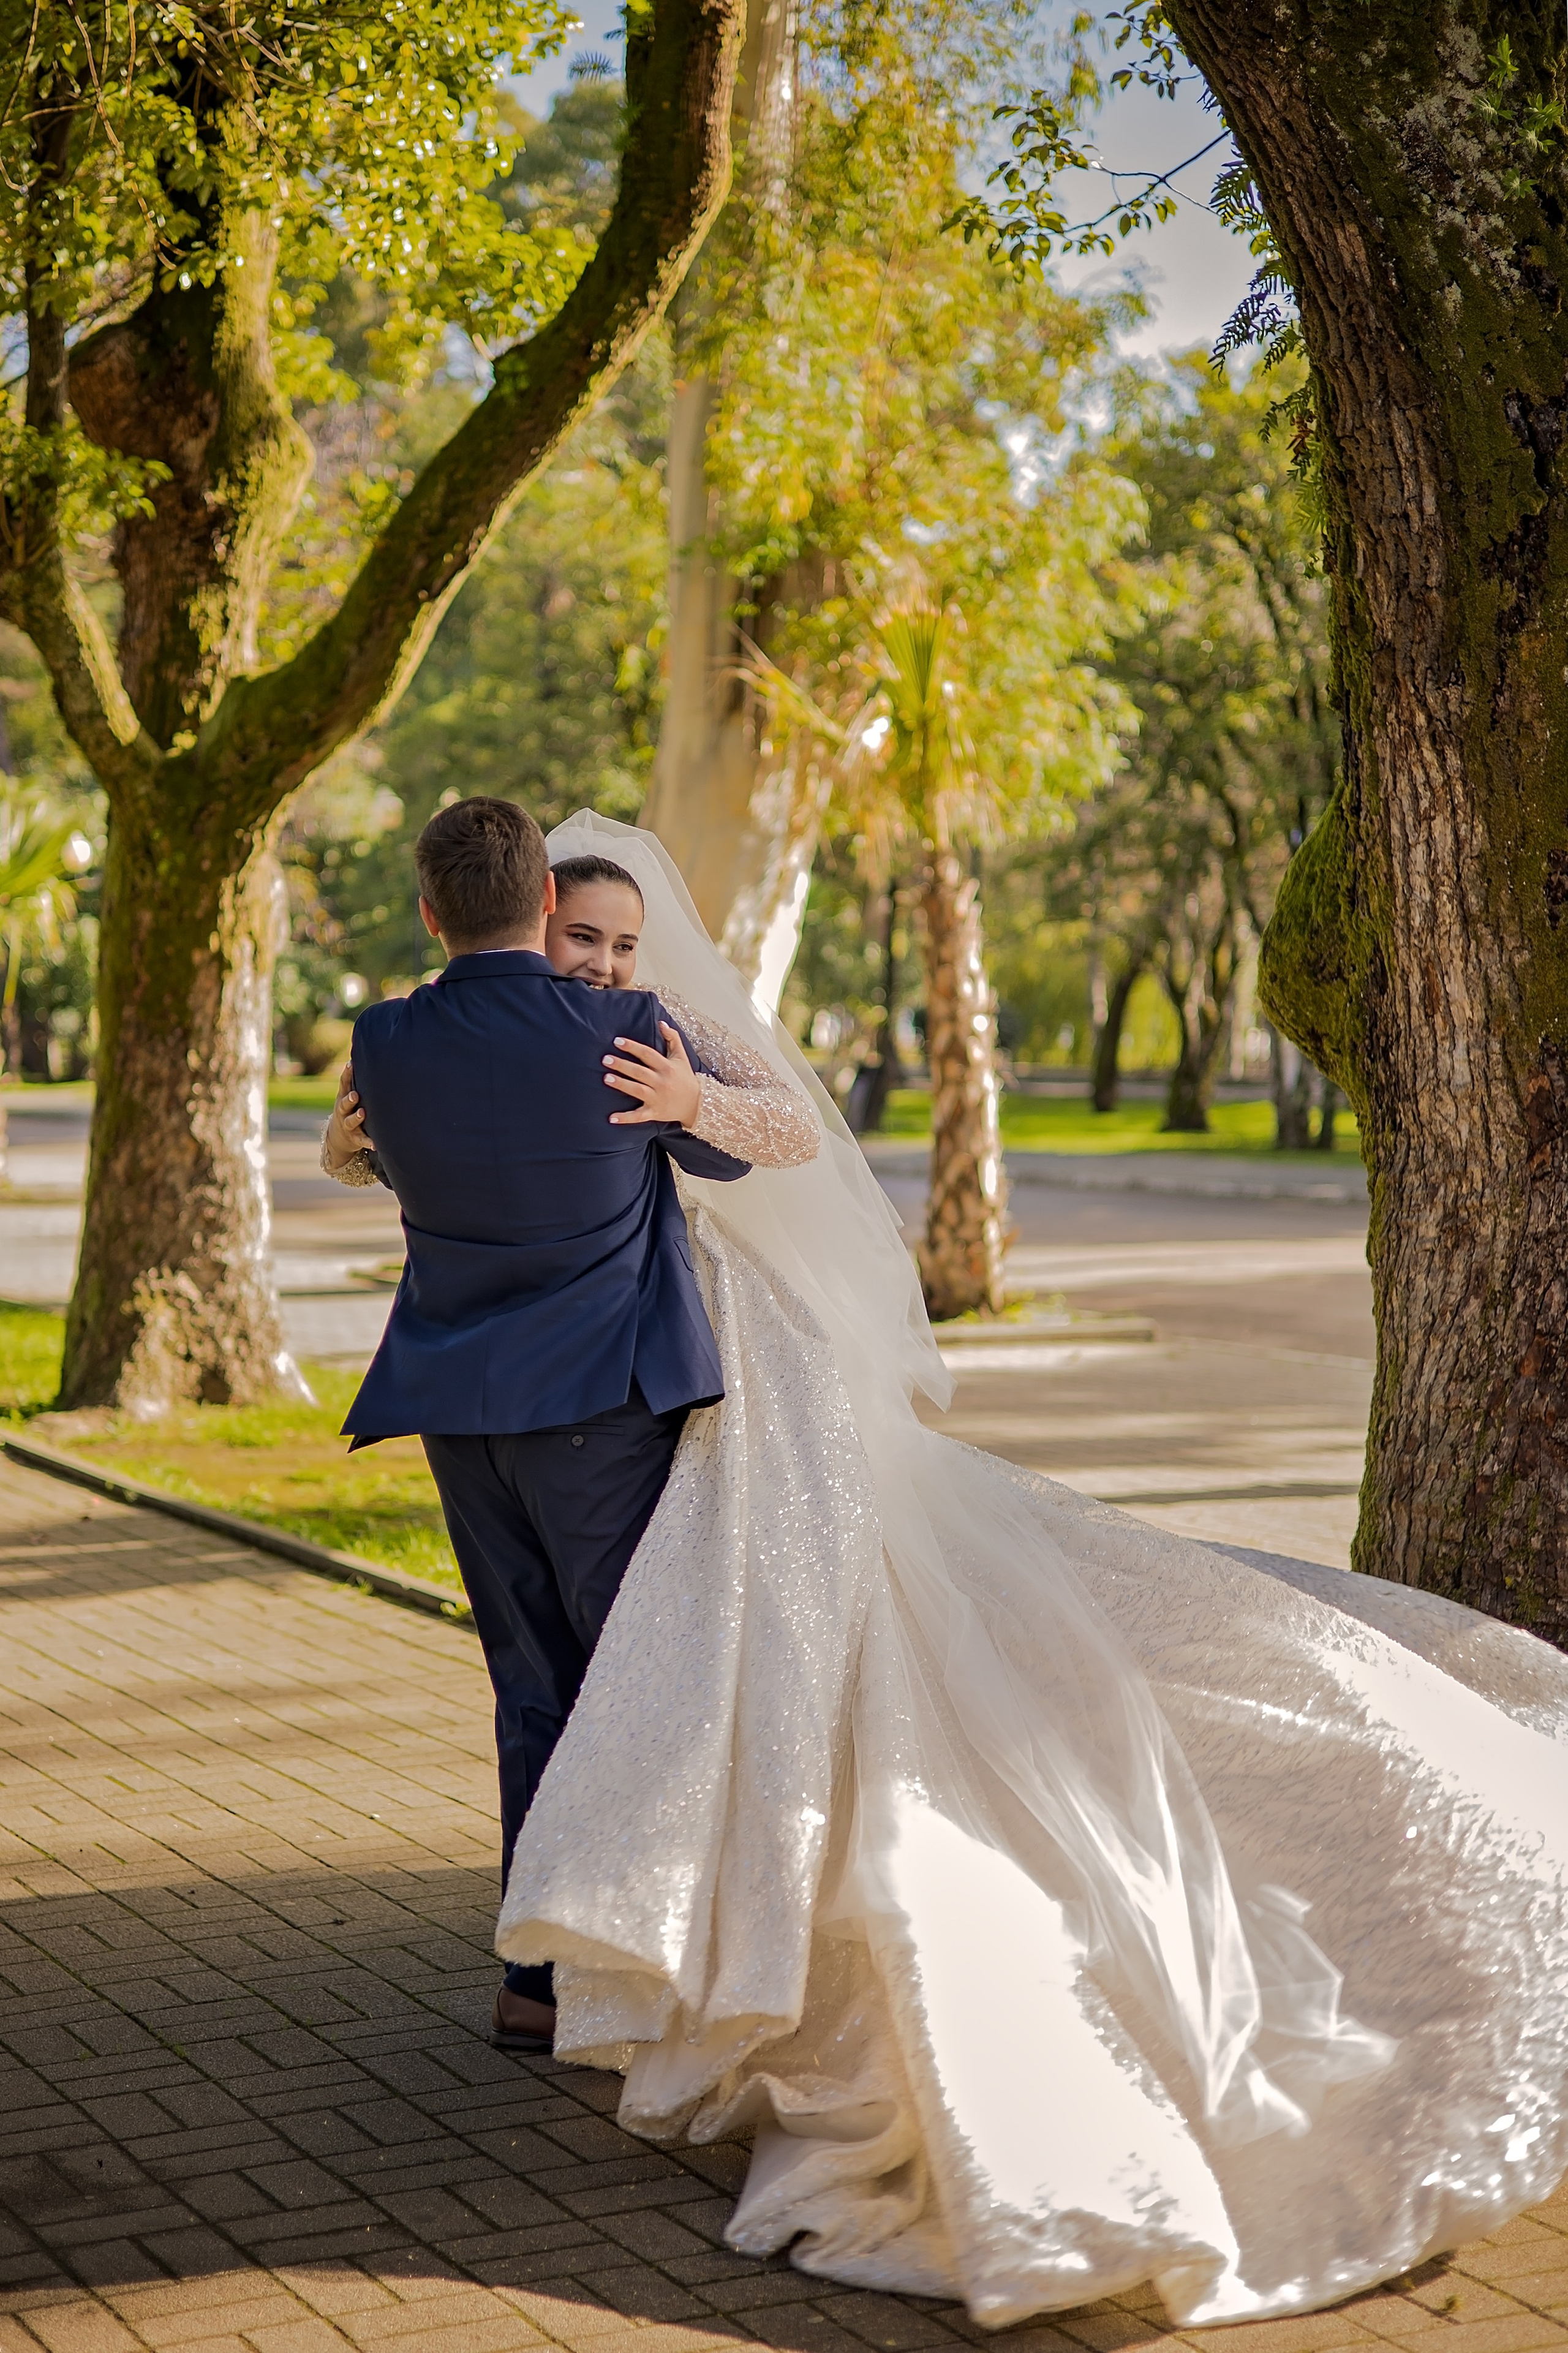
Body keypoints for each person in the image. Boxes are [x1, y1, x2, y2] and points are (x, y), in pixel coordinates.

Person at [489, 812, 1568, 2332]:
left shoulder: (650, 1027)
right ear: (527, 928)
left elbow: (790, 1130)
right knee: (687, 1657)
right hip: (633, 1387)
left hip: (750, 1369)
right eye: (573, 937)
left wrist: (686, 1092)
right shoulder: (503, 1032)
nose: (595, 960)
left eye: (614, 940)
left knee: (812, 1635)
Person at [320, 798, 766, 2055]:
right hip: (598, 1415)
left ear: (429, 915)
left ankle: (533, 1979)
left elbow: (389, 1161)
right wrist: (691, 1098)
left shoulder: (384, 1041)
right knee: (627, 1685)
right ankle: (632, 1967)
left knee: (530, 1689)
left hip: (459, 1419)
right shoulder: (623, 1030)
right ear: (542, 912)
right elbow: (733, 1160)